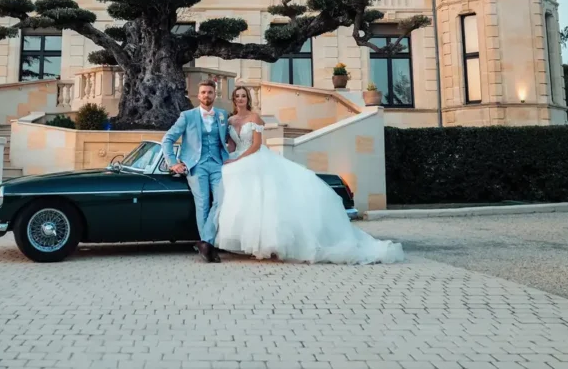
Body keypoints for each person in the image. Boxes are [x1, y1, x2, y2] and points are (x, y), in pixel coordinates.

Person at [216, 85, 404, 264]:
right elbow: (232, 145)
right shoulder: (231, 121)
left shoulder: (255, 118)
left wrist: (238, 159)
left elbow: (256, 144)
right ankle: (248, 241)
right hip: (237, 157)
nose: (240, 99)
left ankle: (268, 245)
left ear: (247, 99)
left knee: (264, 199)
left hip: (254, 157)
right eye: (237, 96)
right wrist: (229, 156)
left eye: (243, 96)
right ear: (233, 100)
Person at [161, 80, 229, 263]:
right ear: (198, 96)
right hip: (196, 166)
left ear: (215, 95)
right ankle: (209, 248)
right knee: (203, 204)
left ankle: (205, 242)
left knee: (221, 201)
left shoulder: (222, 115)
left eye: (210, 92)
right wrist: (173, 163)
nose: (207, 95)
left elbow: (230, 139)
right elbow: (167, 139)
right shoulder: (187, 116)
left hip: (218, 164)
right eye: (203, 92)